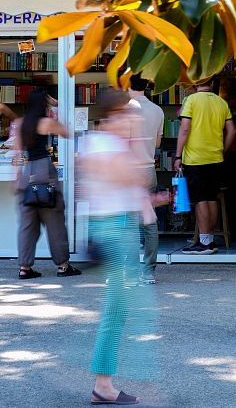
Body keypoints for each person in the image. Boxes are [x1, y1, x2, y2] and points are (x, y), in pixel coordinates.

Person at [80, 89, 159, 405]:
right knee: (116, 311)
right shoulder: (103, 145)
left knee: (120, 310)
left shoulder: (101, 143)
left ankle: (104, 381)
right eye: (129, 115)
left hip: (118, 229)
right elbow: (123, 177)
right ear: (114, 115)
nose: (133, 120)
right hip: (114, 233)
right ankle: (103, 384)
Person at [14, 89, 80, 280]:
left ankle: (24, 267)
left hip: (27, 172)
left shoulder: (20, 123)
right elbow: (67, 132)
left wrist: (16, 178)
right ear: (45, 103)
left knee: (27, 224)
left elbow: (17, 153)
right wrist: (58, 105)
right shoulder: (47, 122)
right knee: (55, 221)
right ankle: (62, 265)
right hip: (44, 169)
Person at [173, 80, 236, 255]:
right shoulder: (220, 102)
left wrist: (178, 155)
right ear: (212, 83)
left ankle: (205, 242)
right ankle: (210, 240)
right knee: (211, 198)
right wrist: (223, 149)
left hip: (195, 158)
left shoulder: (191, 101)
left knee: (201, 199)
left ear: (195, 83)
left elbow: (185, 128)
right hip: (215, 157)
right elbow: (232, 130)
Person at [128, 76, 165, 284]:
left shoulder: (126, 110)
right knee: (149, 222)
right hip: (149, 169)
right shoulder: (157, 110)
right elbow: (158, 142)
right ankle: (149, 271)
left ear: (128, 85)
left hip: (130, 172)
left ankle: (132, 271)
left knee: (130, 224)